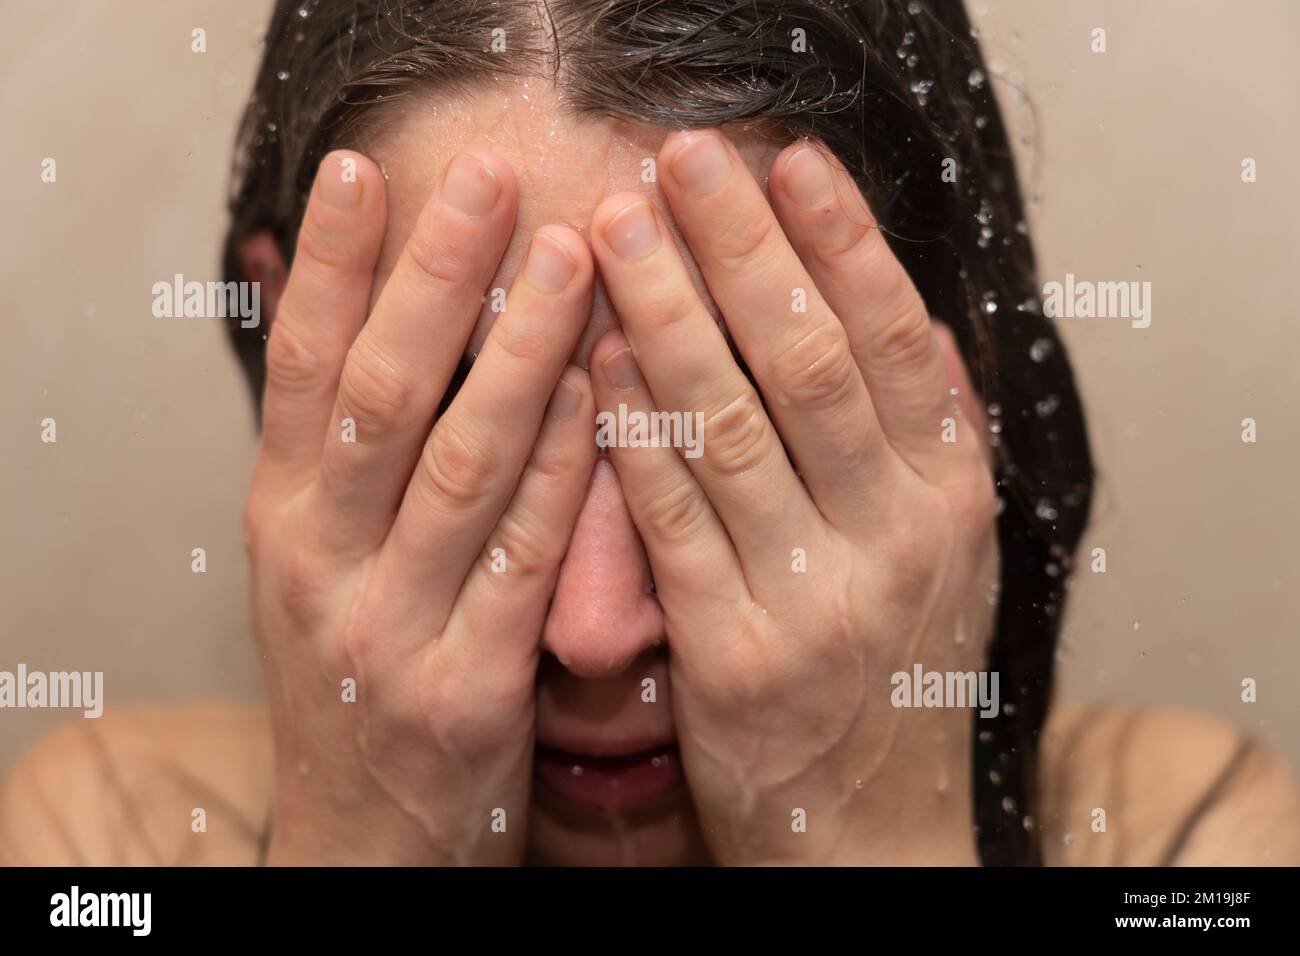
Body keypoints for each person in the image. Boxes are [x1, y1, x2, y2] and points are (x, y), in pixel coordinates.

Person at [2, 0, 1297, 866]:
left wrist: (872, 843)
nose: (592, 631)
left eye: (746, 414)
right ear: (298, 353)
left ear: (942, 383)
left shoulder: (1188, 841)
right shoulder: (108, 839)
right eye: (473, 414)